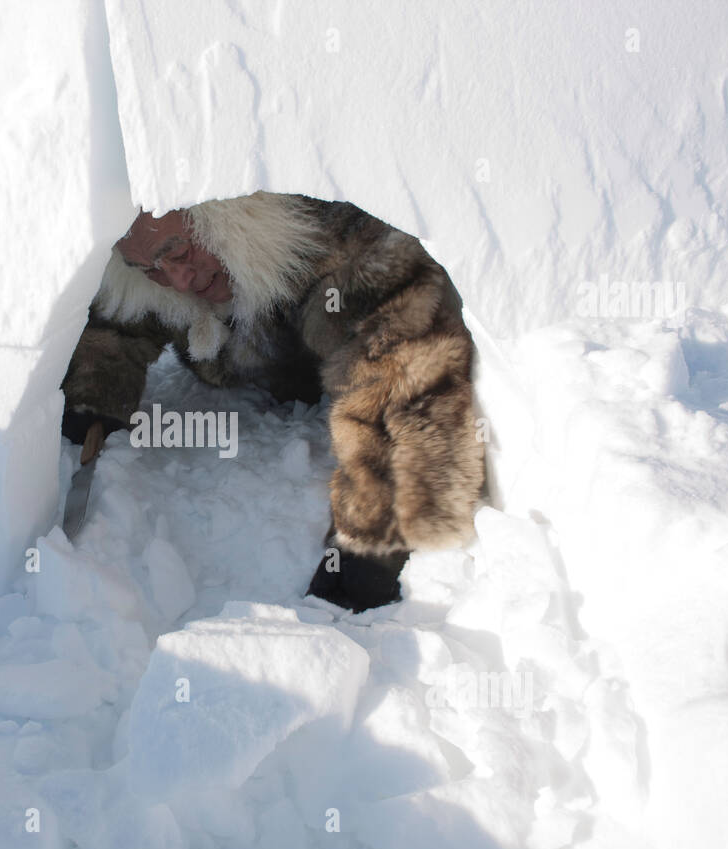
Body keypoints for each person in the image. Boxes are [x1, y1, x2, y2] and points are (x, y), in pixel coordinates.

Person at [60, 191, 483, 612]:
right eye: (149, 269)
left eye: (179, 251)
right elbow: (117, 323)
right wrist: (93, 401)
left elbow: (408, 371)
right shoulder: (169, 274)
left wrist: (382, 533)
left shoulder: (334, 248)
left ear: (225, 217)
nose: (178, 280)